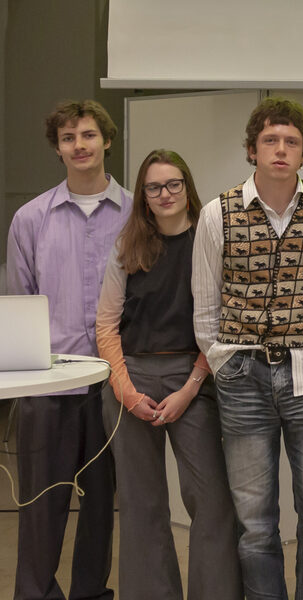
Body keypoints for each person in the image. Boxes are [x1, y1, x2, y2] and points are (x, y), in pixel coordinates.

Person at [192, 97, 303, 599]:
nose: (280, 150)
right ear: (251, 149)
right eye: (270, 140)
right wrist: (227, 361)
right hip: (243, 379)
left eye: (291, 142)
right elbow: (204, 304)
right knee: (255, 523)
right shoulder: (219, 213)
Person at [96, 149, 242, 599]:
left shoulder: (210, 243)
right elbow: (106, 324)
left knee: (213, 504)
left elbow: (220, 326)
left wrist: (190, 387)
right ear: (143, 194)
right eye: (154, 186)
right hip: (131, 379)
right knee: (142, 506)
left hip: (193, 378)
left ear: (187, 188)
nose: (165, 194)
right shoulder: (128, 246)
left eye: (173, 184)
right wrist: (125, 390)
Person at [6, 99, 130, 600]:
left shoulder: (134, 215)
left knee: (102, 507)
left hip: (111, 385)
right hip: (46, 388)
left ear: (106, 140)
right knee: (40, 507)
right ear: (57, 149)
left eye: (88, 135)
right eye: (68, 138)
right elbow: (19, 305)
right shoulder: (30, 219)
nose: (79, 145)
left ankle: (90, 594)